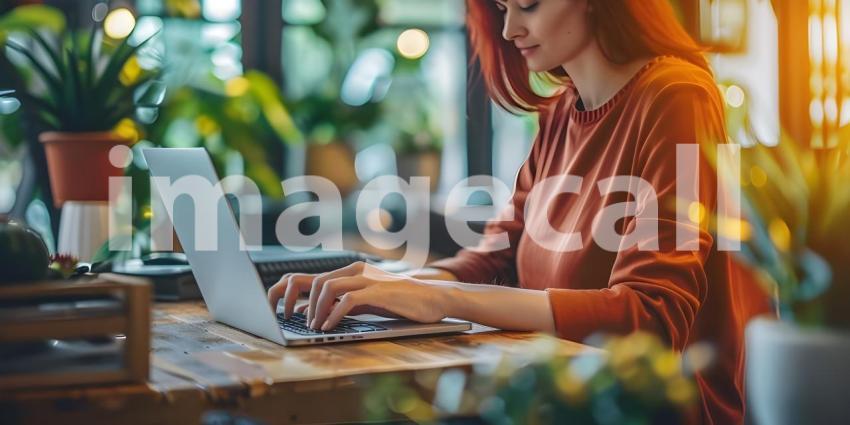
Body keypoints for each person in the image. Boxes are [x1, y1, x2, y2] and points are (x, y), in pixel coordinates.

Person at [267, 1, 771, 423]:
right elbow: (493, 259)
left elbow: (651, 317)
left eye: (528, 3)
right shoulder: (559, 114)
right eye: (504, 7)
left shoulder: (677, 97)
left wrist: (439, 297)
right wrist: (377, 287)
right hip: (561, 398)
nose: (510, 30)